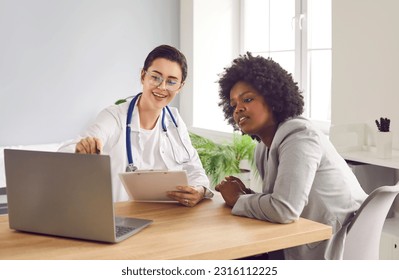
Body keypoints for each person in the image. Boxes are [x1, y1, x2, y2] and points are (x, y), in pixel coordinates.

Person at [214, 52, 367, 259]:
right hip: (301, 238)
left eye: (247, 99)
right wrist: (246, 194)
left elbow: (284, 210)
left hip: (327, 246)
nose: (238, 109)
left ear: (273, 99)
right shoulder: (264, 147)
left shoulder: (299, 136)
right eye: (233, 106)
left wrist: (239, 199)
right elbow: (279, 200)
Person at [59, 45, 213, 205]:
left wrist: (199, 191)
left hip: (165, 219)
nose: (162, 87)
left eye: (171, 82)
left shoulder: (174, 121)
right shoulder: (115, 117)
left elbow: (195, 169)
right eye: (156, 77)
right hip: (120, 219)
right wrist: (80, 148)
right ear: (143, 76)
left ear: (180, 87)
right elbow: (68, 151)